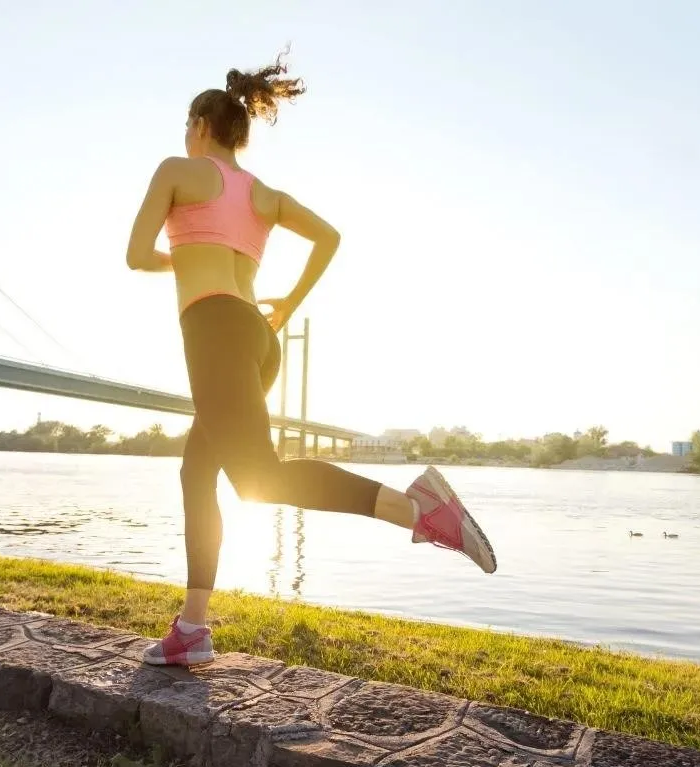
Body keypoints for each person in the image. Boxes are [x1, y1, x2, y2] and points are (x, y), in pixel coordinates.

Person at [126, 53, 495, 667]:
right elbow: (329, 236)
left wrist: (183, 258)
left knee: (256, 480)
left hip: (214, 329)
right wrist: (290, 303)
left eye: (186, 125)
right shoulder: (265, 194)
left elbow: (137, 254)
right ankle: (192, 630)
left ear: (198, 124)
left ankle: (421, 510)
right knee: (198, 475)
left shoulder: (178, 170)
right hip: (257, 338)